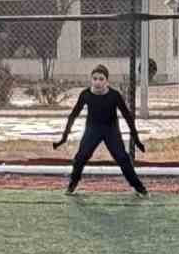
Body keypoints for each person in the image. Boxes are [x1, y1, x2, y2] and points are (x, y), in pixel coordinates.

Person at [54, 64, 148, 196]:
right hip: (92, 130)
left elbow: (128, 117)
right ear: (91, 79)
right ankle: (72, 185)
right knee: (80, 157)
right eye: (95, 78)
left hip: (111, 130)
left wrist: (137, 139)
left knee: (122, 158)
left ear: (107, 81)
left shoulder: (114, 96)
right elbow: (73, 115)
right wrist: (64, 137)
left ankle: (140, 189)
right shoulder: (86, 95)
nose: (97, 82)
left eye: (101, 79)